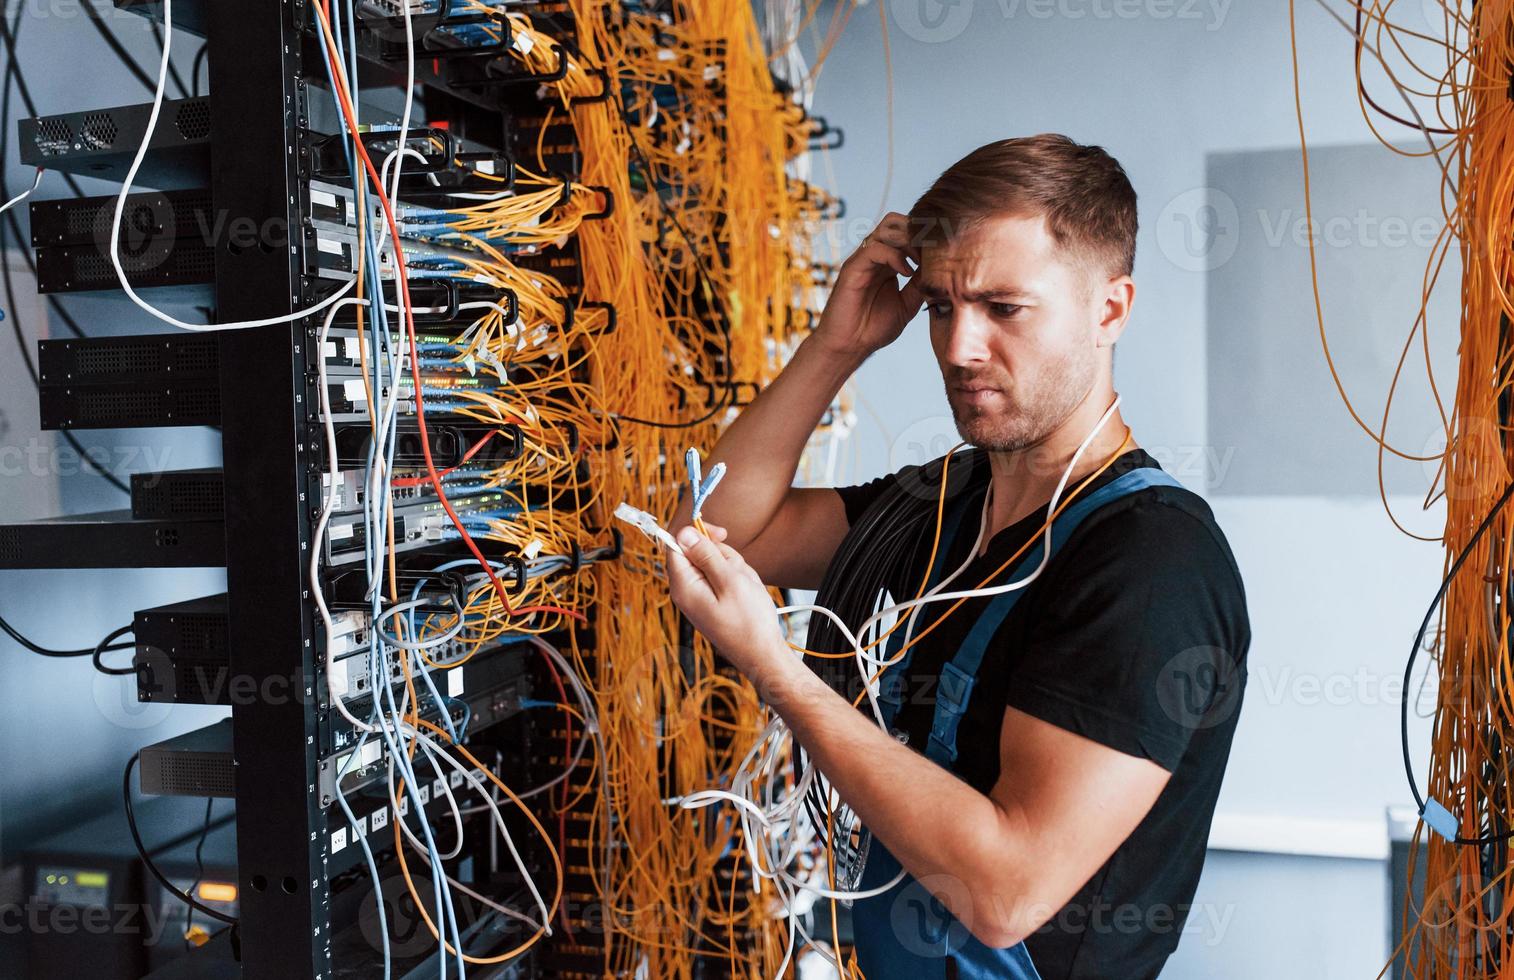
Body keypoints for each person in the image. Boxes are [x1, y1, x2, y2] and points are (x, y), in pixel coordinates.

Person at [662, 134, 1250, 979]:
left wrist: (777, 671)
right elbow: (716, 529)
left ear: (1110, 309)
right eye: (941, 305)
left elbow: (1005, 893)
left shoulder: (1152, 561)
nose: (957, 347)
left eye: (1003, 308)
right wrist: (837, 346)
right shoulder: (941, 505)